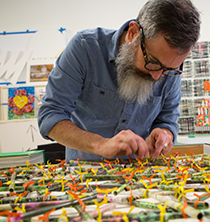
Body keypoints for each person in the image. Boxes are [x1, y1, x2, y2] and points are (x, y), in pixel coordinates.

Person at [37, 0, 201, 161]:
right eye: (152, 62)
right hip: (83, 175)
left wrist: (165, 133)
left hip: (142, 177)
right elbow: (50, 115)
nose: (157, 76)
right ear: (133, 33)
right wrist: (101, 145)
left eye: (169, 69)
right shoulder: (85, 49)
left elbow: (167, 120)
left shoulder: (169, 70)